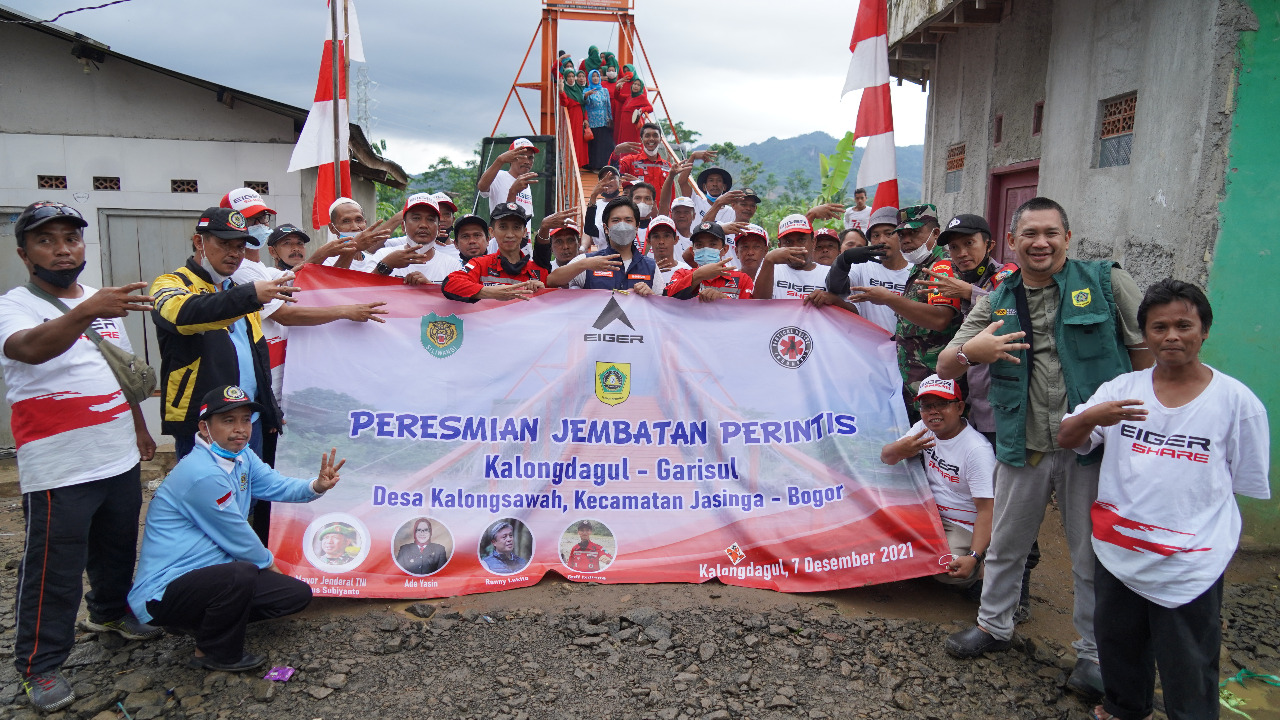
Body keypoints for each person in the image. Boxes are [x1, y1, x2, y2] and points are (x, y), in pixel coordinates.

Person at [936, 197, 1152, 704]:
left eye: (1051, 233)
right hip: (1023, 442)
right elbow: (946, 365)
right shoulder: (997, 298)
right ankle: (993, 626)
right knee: (1007, 544)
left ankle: (1094, 654)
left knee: (1091, 553)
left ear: (1068, 237)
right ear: (1012, 242)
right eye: (1029, 233)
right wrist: (973, 352)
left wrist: (1144, 431)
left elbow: (1144, 352)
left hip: (1093, 446)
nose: (1041, 242)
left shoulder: (1105, 282)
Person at [1056, 279, 1269, 720]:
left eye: (1183, 325)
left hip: (1190, 559)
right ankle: (1123, 709)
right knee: (1119, 643)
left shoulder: (1236, 403)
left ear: (1204, 330)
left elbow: (1240, 482)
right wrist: (1093, 415)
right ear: (1145, 334)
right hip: (1118, 549)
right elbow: (1068, 437)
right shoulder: (1121, 390)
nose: (1171, 335)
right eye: (1159, 327)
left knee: (1188, 660)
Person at [1, 201, 163, 712]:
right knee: (54, 568)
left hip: (116, 453)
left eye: (70, 237)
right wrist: (86, 311)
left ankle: (110, 613)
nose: (62, 248)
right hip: (59, 464)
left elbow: (114, 371)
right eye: (46, 240)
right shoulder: (15, 304)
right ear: (25, 253)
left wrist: (140, 428)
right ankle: (38, 666)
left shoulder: (97, 299)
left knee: (117, 547)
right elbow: (28, 350)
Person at [128, 385, 345, 672]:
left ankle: (202, 624)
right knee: (243, 571)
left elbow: (275, 484)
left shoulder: (242, 456)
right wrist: (269, 565)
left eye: (245, 420)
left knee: (294, 595)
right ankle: (213, 652)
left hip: (212, 576)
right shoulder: (201, 473)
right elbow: (239, 538)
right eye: (228, 421)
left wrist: (315, 486)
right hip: (164, 591)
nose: (240, 429)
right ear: (205, 428)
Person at [151, 208, 297, 459]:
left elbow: (257, 358)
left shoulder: (240, 291)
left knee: (249, 494)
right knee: (210, 496)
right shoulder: (172, 283)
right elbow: (184, 315)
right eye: (224, 244)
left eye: (240, 247)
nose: (234, 253)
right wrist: (249, 296)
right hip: (204, 424)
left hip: (249, 420)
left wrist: (270, 410)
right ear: (199, 242)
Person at [880, 376, 994, 591]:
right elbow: (886, 457)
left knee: (946, 570)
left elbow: (987, 510)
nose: (933, 411)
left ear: (960, 407)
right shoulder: (924, 429)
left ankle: (982, 566)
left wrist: (973, 554)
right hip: (928, 514)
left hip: (962, 524)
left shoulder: (977, 450)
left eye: (942, 404)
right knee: (879, 540)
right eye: (926, 406)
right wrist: (900, 450)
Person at [548, 197, 658, 295]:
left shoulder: (651, 267)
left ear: (637, 226)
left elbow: (663, 308)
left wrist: (651, 297)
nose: (622, 225)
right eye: (616, 220)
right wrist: (584, 264)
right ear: (605, 228)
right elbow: (551, 280)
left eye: (628, 220)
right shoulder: (588, 261)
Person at [442, 203, 549, 303]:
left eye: (516, 227)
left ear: (524, 232)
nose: (510, 234)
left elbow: (554, 306)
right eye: (503, 227)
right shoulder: (479, 264)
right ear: (492, 232)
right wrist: (490, 292)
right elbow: (449, 284)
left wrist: (543, 293)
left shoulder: (538, 270)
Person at [817, 206, 901, 332]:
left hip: (906, 349)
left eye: (888, 233)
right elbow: (835, 288)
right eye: (876, 235)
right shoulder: (861, 268)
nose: (882, 240)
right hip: (867, 347)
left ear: (901, 235)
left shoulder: (915, 271)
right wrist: (843, 260)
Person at [663, 221, 755, 301]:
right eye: (699, 245)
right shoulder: (681, 274)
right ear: (692, 251)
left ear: (725, 250)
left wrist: (724, 300)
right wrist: (698, 275)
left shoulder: (742, 279)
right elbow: (667, 298)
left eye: (712, 244)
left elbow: (748, 313)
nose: (706, 249)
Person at [756, 215, 829, 300]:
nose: (795, 247)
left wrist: (833, 299)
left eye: (801, 240)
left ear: (813, 242)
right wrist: (768, 260)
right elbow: (758, 304)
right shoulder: (770, 269)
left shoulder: (829, 274)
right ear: (779, 246)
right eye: (788, 242)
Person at [477, 138, 538, 219]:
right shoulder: (499, 175)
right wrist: (500, 160)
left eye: (530, 158)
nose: (527, 161)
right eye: (522, 156)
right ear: (511, 157)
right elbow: (482, 187)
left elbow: (527, 218)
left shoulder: (526, 185)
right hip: (502, 230)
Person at [618, 123, 671, 189]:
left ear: (660, 139)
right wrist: (616, 152)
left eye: (655, 135)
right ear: (641, 139)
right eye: (647, 136)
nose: (651, 139)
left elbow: (671, 193)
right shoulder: (630, 161)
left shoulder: (668, 166)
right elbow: (613, 171)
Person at [583, 70, 614, 171]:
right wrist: (587, 95)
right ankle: (595, 166)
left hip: (604, 120)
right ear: (590, 78)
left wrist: (610, 118)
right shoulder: (586, 90)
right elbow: (585, 103)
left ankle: (606, 165)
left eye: (597, 76)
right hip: (593, 120)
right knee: (596, 145)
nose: (595, 78)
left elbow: (608, 104)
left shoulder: (604, 90)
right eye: (593, 77)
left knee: (606, 143)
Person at [559, 68, 589, 169]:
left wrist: (585, 119)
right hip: (571, 117)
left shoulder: (578, 89)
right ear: (565, 78)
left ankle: (578, 165)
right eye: (569, 77)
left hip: (580, 117)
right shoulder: (566, 90)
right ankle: (571, 165)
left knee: (579, 142)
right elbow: (565, 103)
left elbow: (583, 105)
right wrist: (561, 90)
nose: (571, 79)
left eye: (572, 76)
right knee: (571, 141)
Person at [616, 74, 653, 147]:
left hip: (633, 126)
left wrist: (642, 110)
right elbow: (618, 97)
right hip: (624, 126)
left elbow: (650, 108)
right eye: (635, 84)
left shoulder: (641, 97)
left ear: (641, 87)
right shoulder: (629, 96)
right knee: (624, 144)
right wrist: (617, 88)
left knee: (633, 145)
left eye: (638, 85)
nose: (636, 86)